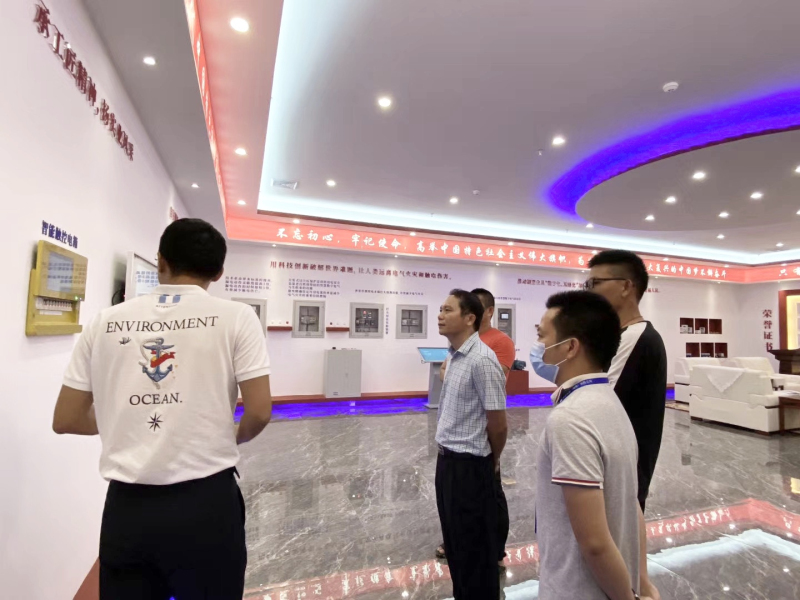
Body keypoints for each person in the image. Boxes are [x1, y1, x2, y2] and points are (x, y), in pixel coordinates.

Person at [52, 218, 273, 600]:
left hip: (128, 509)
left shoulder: (105, 321)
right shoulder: (237, 317)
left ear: (160, 261)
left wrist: (125, 418)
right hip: (207, 504)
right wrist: (231, 435)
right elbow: (259, 411)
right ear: (218, 272)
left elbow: (66, 418)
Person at [535, 291, 659, 600]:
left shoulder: (571, 419)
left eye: (542, 337)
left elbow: (594, 543)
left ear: (570, 347)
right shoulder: (611, 403)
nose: (537, 348)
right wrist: (641, 582)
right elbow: (631, 505)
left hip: (576, 589)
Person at [435, 289, 508, 600]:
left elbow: (498, 423)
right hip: (447, 462)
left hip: (470, 466)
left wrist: (492, 460)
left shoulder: (482, 360)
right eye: (441, 309)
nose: (440, 315)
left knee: (475, 553)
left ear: (469, 318)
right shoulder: (454, 356)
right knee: (456, 547)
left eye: (448, 310)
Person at [586, 249, 667, 511]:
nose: (590, 291)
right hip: (607, 470)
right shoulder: (618, 336)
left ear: (625, 286)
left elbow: (596, 404)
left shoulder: (635, 337)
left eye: (596, 283)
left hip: (621, 478)